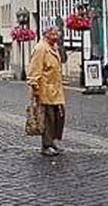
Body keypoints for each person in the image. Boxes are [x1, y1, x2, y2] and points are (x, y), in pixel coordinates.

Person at [27, 26, 66, 156]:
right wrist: (35, 87)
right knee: (48, 118)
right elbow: (34, 69)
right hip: (45, 89)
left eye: (57, 35)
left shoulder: (53, 48)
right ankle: (46, 145)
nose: (56, 37)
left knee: (58, 116)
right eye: (53, 35)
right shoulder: (40, 48)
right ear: (46, 35)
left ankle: (52, 142)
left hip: (55, 89)